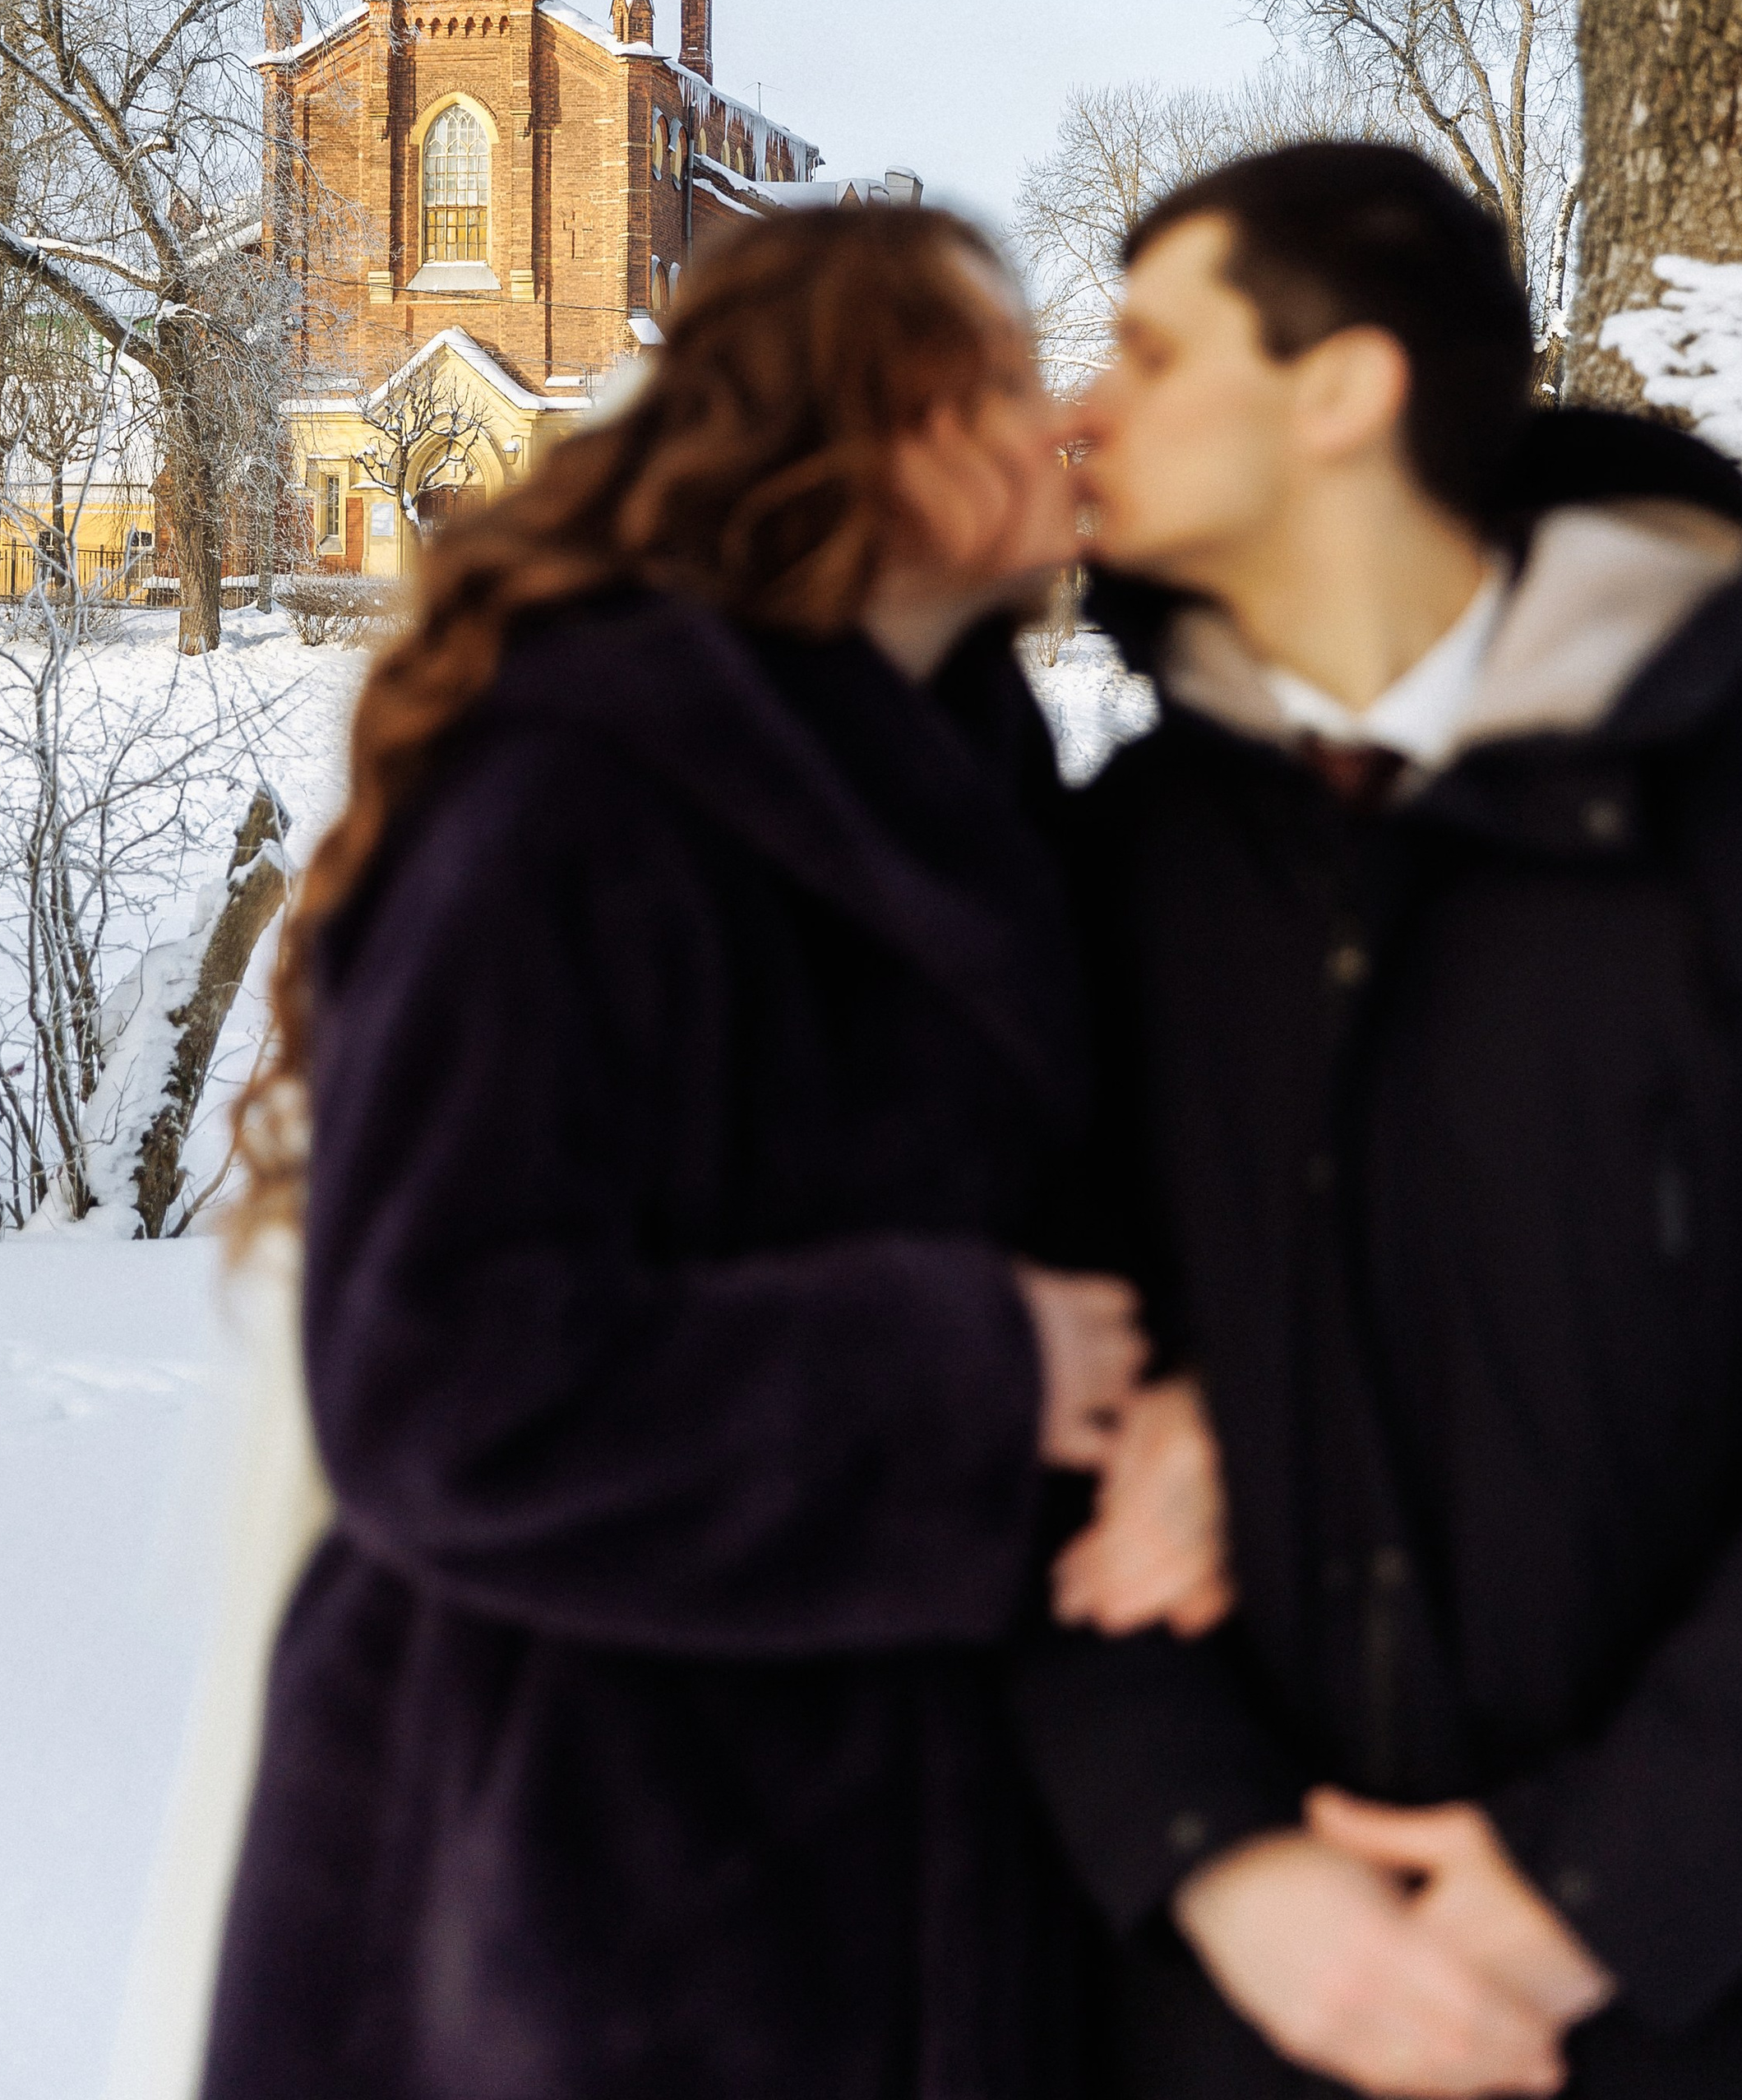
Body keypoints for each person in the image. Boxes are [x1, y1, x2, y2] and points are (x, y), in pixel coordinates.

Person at [198, 202, 1220, 2100]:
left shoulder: (976, 785)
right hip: (579, 1882)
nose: (1059, 413)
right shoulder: (576, 792)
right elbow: (434, 1385)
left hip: (897, 1856)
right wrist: (952, 1366)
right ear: (846, 433)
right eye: (991, 379)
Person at [1023, 141, 1742, 2098]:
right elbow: (1009, 1429)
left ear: (1339, 392)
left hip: (1727, 2009)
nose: (1085, 407)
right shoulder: (1113, 872)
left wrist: (1600, 1883)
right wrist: (1220, 1861)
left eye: (1153, 354)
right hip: (1227, 2023)